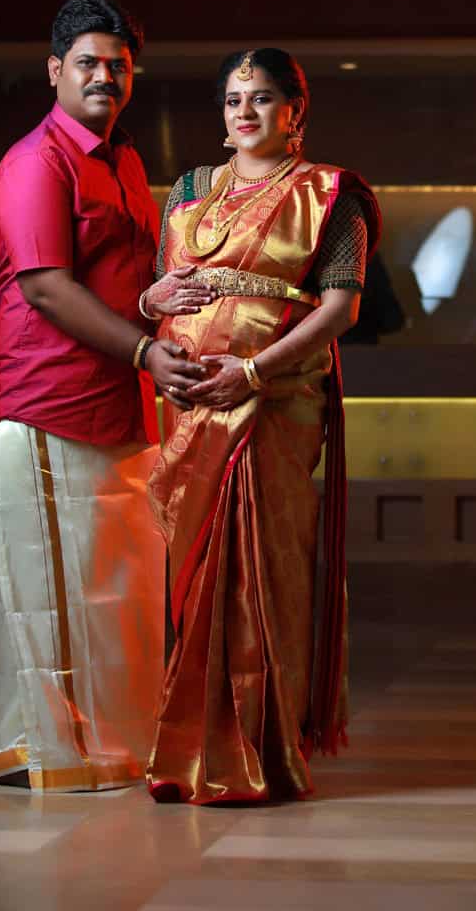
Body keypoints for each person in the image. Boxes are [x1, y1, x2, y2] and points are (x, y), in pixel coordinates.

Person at [141, 47, 380, 805]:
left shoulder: (330, 195)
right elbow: (159, 286)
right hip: (186, 405)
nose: (246, 110)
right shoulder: (186, 191)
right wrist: (153, 306)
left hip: (271, 403)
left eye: (264, 97)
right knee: (188, 577)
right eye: (234, 98)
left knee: (256, 573)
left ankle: (259, 750)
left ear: (296, 111)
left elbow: (341, 308)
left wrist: (252, 371)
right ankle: (182, 749)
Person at [0, 0, 207, 792]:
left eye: (118, 65)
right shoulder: (34, 161)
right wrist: (147, 350)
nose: (104, 76)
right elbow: (46, 288)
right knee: (55, 589)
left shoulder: (127, 163)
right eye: (87, 63)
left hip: (117, 402)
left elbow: (129, 282)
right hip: (50, 401)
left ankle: (46, 745)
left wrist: (173, 308)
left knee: (113, 586)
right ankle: (61, 754)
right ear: (54, 71)